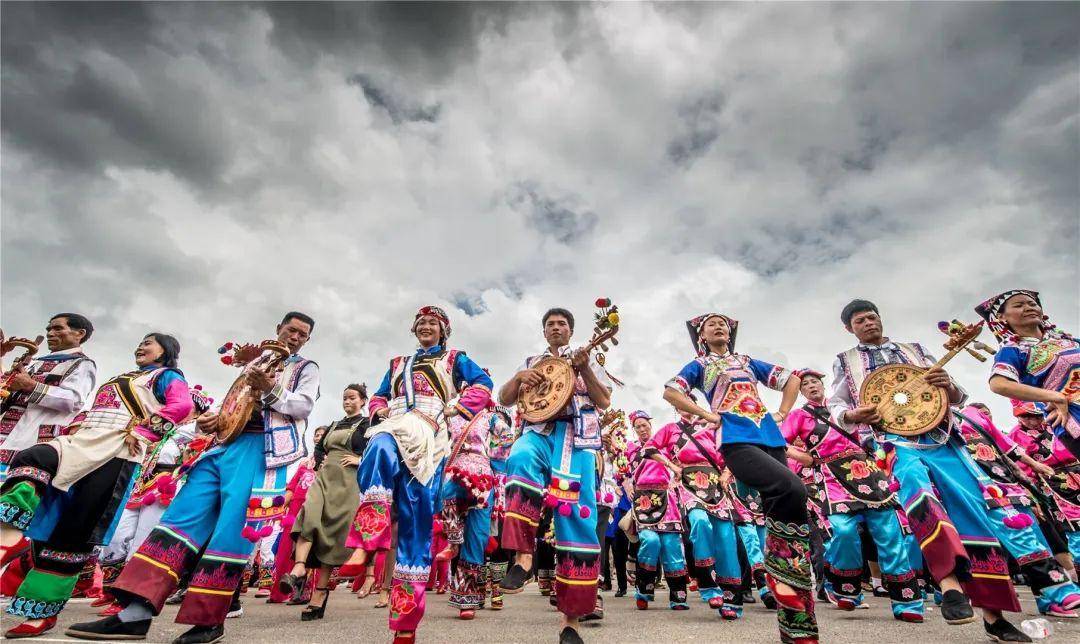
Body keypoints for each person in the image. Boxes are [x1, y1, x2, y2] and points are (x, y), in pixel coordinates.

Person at [67, 312, 319, 644]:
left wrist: (270, 388)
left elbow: (302, 406)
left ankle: (208, 621)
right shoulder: (254, 363)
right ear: (278, 330)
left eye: (303, 334)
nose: (296, 337)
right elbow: (235, 403)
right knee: (176, 524)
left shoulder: (305, 368)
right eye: (291, 330)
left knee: (231, 533)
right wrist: (215, 419)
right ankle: (134, 614)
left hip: (262, 452)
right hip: (222, 447)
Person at [827, 299, 1054, 642]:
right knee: (920, 498)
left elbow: (957, 395)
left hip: (945, 437)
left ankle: (994, 617)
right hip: (895, 443)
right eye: (861, 320)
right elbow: (837, 404)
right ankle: (950, 586)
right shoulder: (846, 361)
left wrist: (946, 384)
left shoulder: (915, 349)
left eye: (872, 316)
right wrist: (853, 415)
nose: (869, 323)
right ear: (850, 328)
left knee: (973, 513)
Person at [0, 333, 195, 639]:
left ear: (167, 350)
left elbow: (181, 406)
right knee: (33, 456)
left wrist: (145, 432)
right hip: (80, 441)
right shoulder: (122, 377)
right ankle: (9, 533)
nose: (141, 346)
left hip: (117, 449)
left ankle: (41, 614)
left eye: (150, 342)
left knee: (73, 534)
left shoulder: (167, 376)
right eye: (140, 341)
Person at [664, 312, 815, 643]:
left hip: (770, 437)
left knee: (786, 504)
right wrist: (709, 415)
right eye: (711, 324)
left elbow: (791, 378)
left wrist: (783, 412)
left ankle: (795, 616)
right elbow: (671, 392)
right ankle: (782, 578)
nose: (720, 327)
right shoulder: (698, 365)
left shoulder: (747, 361)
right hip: (735, 439)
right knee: (791, 487)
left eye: (724, 323)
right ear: (701, 335)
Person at [352, 306, 492, 644]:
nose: (426, 326)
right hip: (396, 423)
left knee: (416, 529)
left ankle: (405, 626)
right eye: (421, 323)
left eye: (434, 323)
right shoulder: (398, 364)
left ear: (444, 331)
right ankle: (369, 536)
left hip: (430, 436)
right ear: (414, 330)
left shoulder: (455, 359)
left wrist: (457, 407)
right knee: (379, 447)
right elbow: (378, 396)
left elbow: (483, 384)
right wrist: (379, 409)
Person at [499, 307, 612, 644]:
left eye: (562, 323)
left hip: (576, 442)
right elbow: (504, 398)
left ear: (571, 330)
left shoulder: (588, 358)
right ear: (544, 332)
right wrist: (520, 379)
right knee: (518, 459)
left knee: (575, 519)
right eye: (550, 324)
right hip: (538, 432)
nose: (556, 328)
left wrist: (585, 368)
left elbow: (604, 400)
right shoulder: (532, 361)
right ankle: (523, 556)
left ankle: (571, 622)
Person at [781, 369, 923, 622]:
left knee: (888, 532)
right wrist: (807, 458)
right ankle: (846, 588)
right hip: (831, 475)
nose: (812, 386)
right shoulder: (798, 415)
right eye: (805, 384)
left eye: (815, 381)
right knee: (843, 530)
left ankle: (907, 601)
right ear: (800, 391)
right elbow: (781, 443)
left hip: (867, 470)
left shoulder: (847, 408)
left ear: (823, 385)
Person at [279, 384, 369, 620]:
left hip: (348, 483)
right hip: (325, 478)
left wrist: (360, 459)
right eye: (344, 398)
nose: (347, 401)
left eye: (352, 398)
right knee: (309, 514)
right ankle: (299, 567)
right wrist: (322, 462)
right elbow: (318, 450)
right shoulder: (334, 425)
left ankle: (320, 593)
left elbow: (376, 451)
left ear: (363, 401)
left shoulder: (368, 426)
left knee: (332, 533)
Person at [645, 407, 744, 618]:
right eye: (681, 401)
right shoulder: (671, 429)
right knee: (699, 521)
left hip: (716, 482)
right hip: (689, 482)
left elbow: (733, 451)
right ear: (676, 406)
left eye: (689, 399)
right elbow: (650, 448)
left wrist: (727, 473)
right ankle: (707, 583)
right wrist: (672, 466)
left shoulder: (713, 424)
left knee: (726, 535)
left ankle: (731, 597)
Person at [977, 290, 1080, 460]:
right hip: (1072, 416)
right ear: (1002, 317)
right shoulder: (1013, 350)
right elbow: (999, 384)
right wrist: (1055, 396)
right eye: (1019, 305)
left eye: (1032, 304)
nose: (1028, 308)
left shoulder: (1068, 340)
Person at [439, 400, 514, 619]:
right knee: (448, 494)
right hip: (455, 468)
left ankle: (467, 600)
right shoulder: (449, 415)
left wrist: (494, 461)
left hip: (483, 474)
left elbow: (507, 437)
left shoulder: (489, 417)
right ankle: (453, 543)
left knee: (478, 536)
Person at [0, 314, 97, 484]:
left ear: (79, 334)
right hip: (5, 435)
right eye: (49, 329)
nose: (50, 333)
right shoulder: (33, 362)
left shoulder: (82, 364)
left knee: (14, 494)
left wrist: (31, 386)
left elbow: (73, 400)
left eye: (58, 328)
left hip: (31, 441)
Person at [624, 411, 689, 612]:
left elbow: (681, 464)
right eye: (638, 427)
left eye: (645, 425)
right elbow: (625, 475)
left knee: (671, 544)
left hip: (666, 497)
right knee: (650, 541)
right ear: (634, 430)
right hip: (643, 499)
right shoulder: (630, 449)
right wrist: (628, 488)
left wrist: (675, 482)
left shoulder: (664, 445)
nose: (642, 429)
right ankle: (644, 590)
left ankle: (678, 595)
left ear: (651, 425)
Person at [1008, 402, 1080, 581]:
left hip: (1077, 470)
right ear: (1018, 417)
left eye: (1037, 416)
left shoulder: (1057, 421)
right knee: (1074, 526)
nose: (1033, 421)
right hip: (1052, 483)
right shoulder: (1014, 436)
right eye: (1026, 417)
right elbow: (1020, 470)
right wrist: (1031, 496)